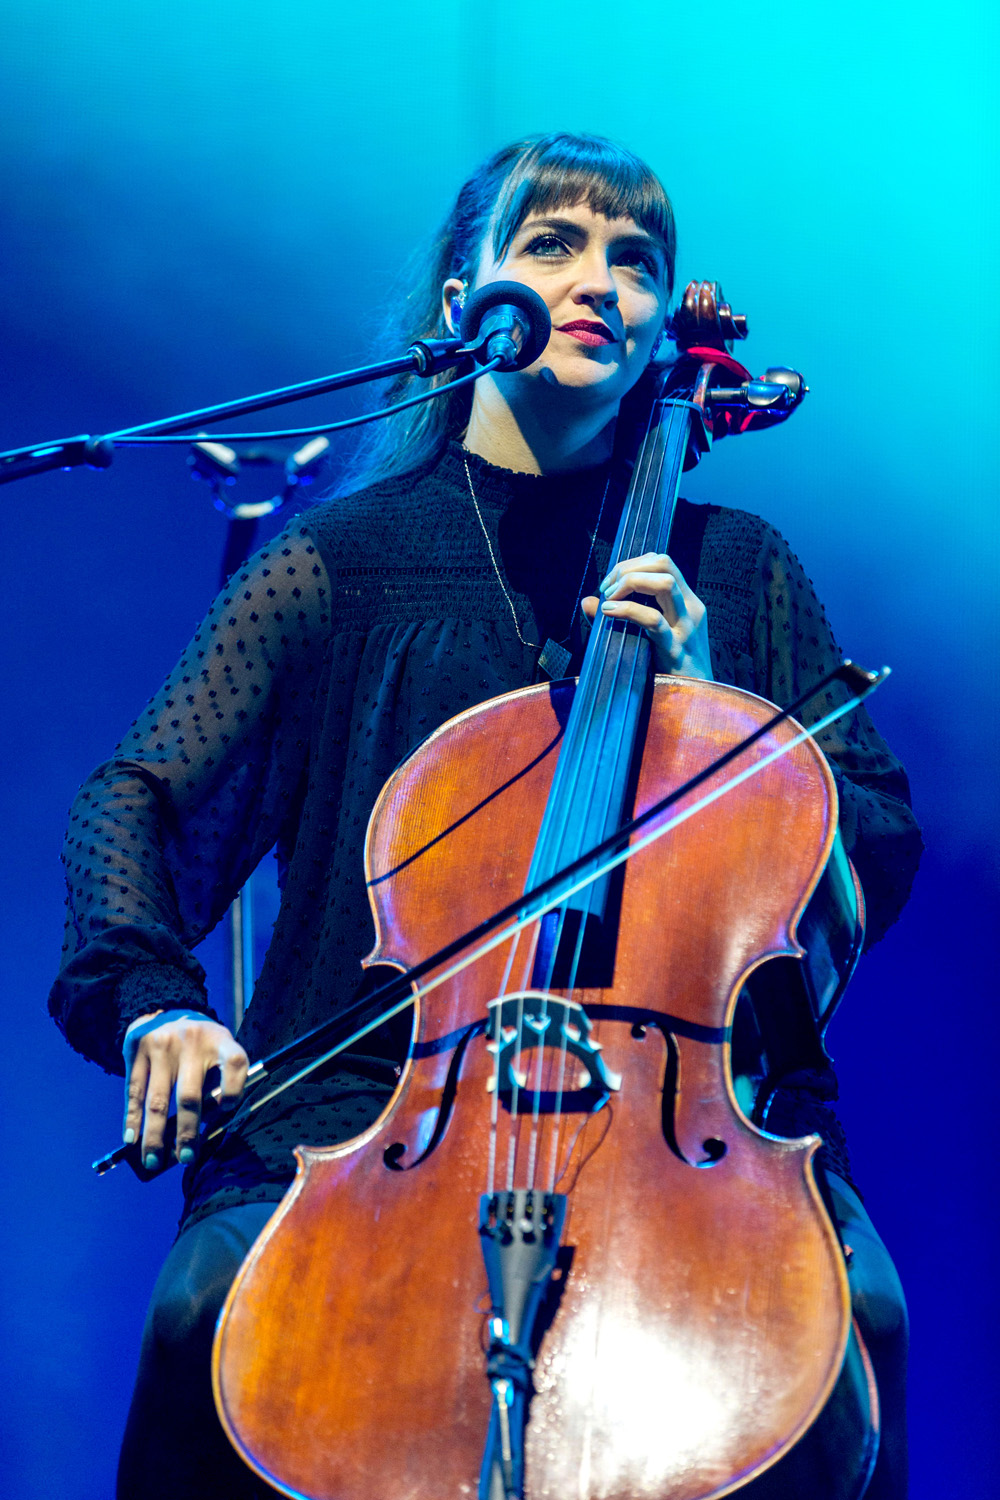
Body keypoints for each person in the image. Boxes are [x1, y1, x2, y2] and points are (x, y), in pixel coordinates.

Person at [50, 132, 922, 1500]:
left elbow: (873, 832)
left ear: (661, 328)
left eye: (637, 261)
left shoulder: (736, 569)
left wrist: (713, 710)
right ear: (467, 299)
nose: (601, 283)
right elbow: (135, 798)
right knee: (192, 1319)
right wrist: (156, 1004)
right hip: (363, 1109)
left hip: (685, 1121)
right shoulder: (340, 563)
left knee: (865, 1320)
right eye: (553, 245)